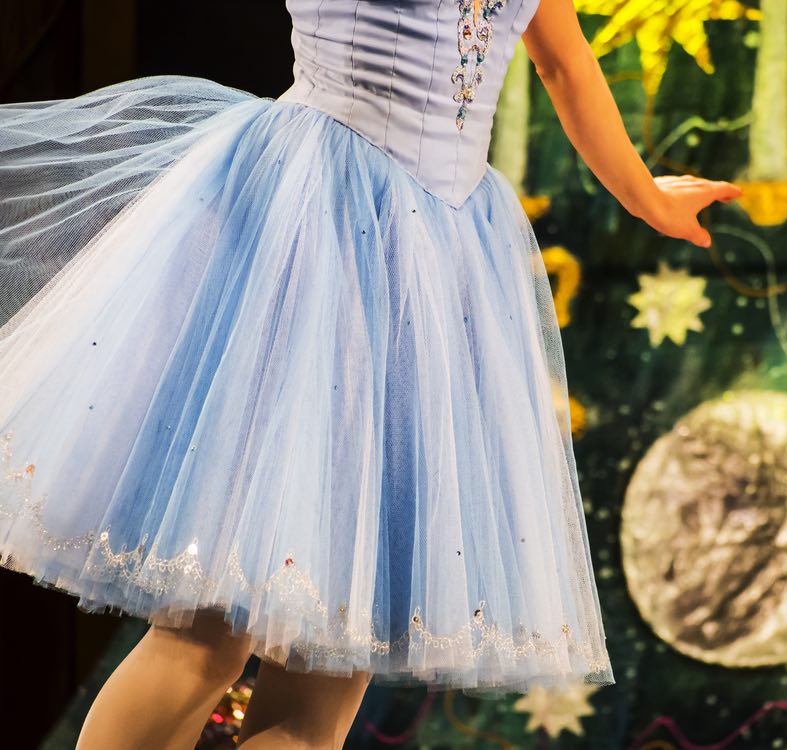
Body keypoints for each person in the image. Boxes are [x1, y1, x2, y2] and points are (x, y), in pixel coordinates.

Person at [0, 0, 739, 747]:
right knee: (207, 634)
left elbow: (564, 61)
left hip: (435, 257)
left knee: (335, 647)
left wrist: (648, 198)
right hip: (313, 227)